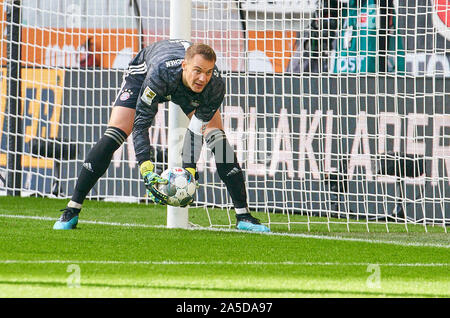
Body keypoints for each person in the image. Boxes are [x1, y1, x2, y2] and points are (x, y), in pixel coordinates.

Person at [53, 39, 270, 233]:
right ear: (185, 66)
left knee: (218, 139)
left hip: (184, 89)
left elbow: (195, 130)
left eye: (208, 71)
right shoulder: (160, 74)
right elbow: (141, 125)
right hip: (144, 73)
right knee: (115, 133)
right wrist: (146, 169)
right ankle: (72, 209)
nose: (203, 77)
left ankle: (243, 216)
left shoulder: (214, 86)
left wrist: (190, 170)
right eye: (198, 71)